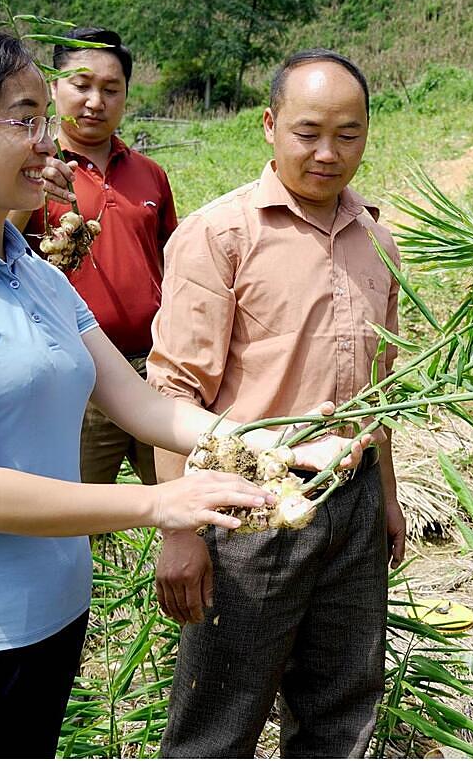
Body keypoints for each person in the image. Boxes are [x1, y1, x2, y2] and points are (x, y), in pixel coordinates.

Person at [0, 21, 362, 758]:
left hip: (48, 620)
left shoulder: (32, 272)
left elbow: (144, 405)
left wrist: (272, 444)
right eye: (25, 120)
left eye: (45, 118)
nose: (49, 142)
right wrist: (161, 503)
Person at [149, 48, 406, 758]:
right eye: (308, 132)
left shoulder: (377, 238)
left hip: (351, 501)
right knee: (219, 719)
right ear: (269, 125)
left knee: (343, 706)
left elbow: (379, 391)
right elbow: (172, 389)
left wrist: (385, 498)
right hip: (251, 505)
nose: (328, 153)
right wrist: (179, 529)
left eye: (348, 134)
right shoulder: (220, 235)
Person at [9, 27, 177, 486]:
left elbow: (172, 262)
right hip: (75, 371)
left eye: (111, 89)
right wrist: (29, 193)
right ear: (53, 88)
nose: (95, 101)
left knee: (182, 500)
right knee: (75, 506)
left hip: (154, 366)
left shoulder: (150, 173)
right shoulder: (29, 172)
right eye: (81, 85)